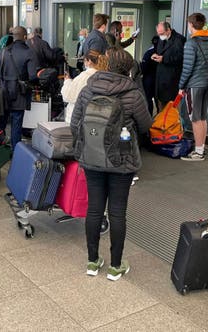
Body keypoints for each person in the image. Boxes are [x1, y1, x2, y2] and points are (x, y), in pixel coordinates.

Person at [71, 48, 152, 281]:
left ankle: (92, 262)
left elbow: (75, 123)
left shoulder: (89, 89)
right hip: (122, 160)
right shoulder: (133, 93)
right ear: (128, 69)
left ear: (106, 65)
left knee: (94, 209)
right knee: (117, 212)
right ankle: (116, 266)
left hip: (92, 158)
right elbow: (146, 125)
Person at [178, 14, 208, 161]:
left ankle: (198, 152)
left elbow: (187, 68)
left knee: (195, 119)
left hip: (195, 85)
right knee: (202, 117)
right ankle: (200, 148)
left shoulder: (191, 43)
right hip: (207, 84)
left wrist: (181, 86)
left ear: (191, 25)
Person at [0, 26, 38, 150]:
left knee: (1, 122)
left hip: (3, 92)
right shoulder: (29, 52)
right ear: (25, 37)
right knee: (16, 123)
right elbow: (32, 76)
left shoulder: (3, 51)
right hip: (20, 93)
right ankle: (15, 151)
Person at [61, 49, 106, 123]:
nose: (84, 63)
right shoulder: (104, 75)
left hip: (79, 118)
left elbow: (68, 95)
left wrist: (67, 81)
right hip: (97, 118)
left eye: (84, 61)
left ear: (89, 61)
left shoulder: (85, 76)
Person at [153, 22, 186, 109]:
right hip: (160, 79)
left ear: (168, 30)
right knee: (161, 110)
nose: (160, 35)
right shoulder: (161, 38)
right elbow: (160, 51)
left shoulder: (179, 39)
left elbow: (180, 58)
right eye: (158, 33)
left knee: (172, 111)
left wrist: (163, 59)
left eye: (162, 33)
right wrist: (156, 56)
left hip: (172, 80)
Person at [141, 35, 161, 115]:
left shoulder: (148, 53)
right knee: (158, 100)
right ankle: (159, 116)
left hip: (148, 80)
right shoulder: (163, 52)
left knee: (148, 99)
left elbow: (143, 68)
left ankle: (149, 116)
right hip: (159, 80)